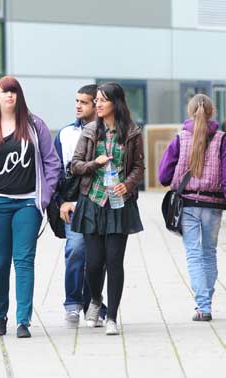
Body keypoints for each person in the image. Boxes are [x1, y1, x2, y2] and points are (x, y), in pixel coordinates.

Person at [0, 76, 60, 339]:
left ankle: (23, 321)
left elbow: (52, 163)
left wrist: (44, 196)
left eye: (13, 92)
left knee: (24, 261)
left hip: (28, 203)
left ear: (19, 96)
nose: (9, 96)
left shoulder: (34, 125)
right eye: (4, 92)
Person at [69, 82, 145, 336]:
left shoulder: (132, 132)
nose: (98, 104)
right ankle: (95, 299)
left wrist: (128, 184)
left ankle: (111, 317)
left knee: (114, 261)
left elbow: (138, 167)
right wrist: (94, 163)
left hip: (118, 203)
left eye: (102, 100)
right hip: (92, 200)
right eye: (97, 100)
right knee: (93, 263)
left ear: (116, 103)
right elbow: (75, 165)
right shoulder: (90, 130)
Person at [159, 93, 226, 322]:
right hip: (213, 205)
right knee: (209, 254)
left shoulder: (180, 138)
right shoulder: (223, 139)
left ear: (190, 112)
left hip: (187, 205)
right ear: (212, 112)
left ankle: (203, 306)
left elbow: (163, 176)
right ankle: (206, 302)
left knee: (194, 255)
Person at [54, 84, 108, 328]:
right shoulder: (65, 135)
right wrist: (60, 202)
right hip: (73, 205)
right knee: (76, 250)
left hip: (102, 203)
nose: (78, 105)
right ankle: (73, 303)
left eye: (84, 102)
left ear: (96, 105)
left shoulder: (111, 133)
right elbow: (53, 173)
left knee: (97, 258)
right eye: (77, 101)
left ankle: (94, 304)